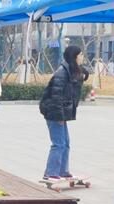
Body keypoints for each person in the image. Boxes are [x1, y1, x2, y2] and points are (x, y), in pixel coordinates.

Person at [39, 45, 86, 180]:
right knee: (58, 143)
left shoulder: (70, 70)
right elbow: (56, 96)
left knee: (65, 143)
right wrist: (59, 116)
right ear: (75, 56)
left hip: (60, 113)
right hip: (54, 113)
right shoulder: (62, 72)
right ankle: (50, 173)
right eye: (81, 54)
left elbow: (77, 81)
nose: (82, 57)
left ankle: (62, 171)